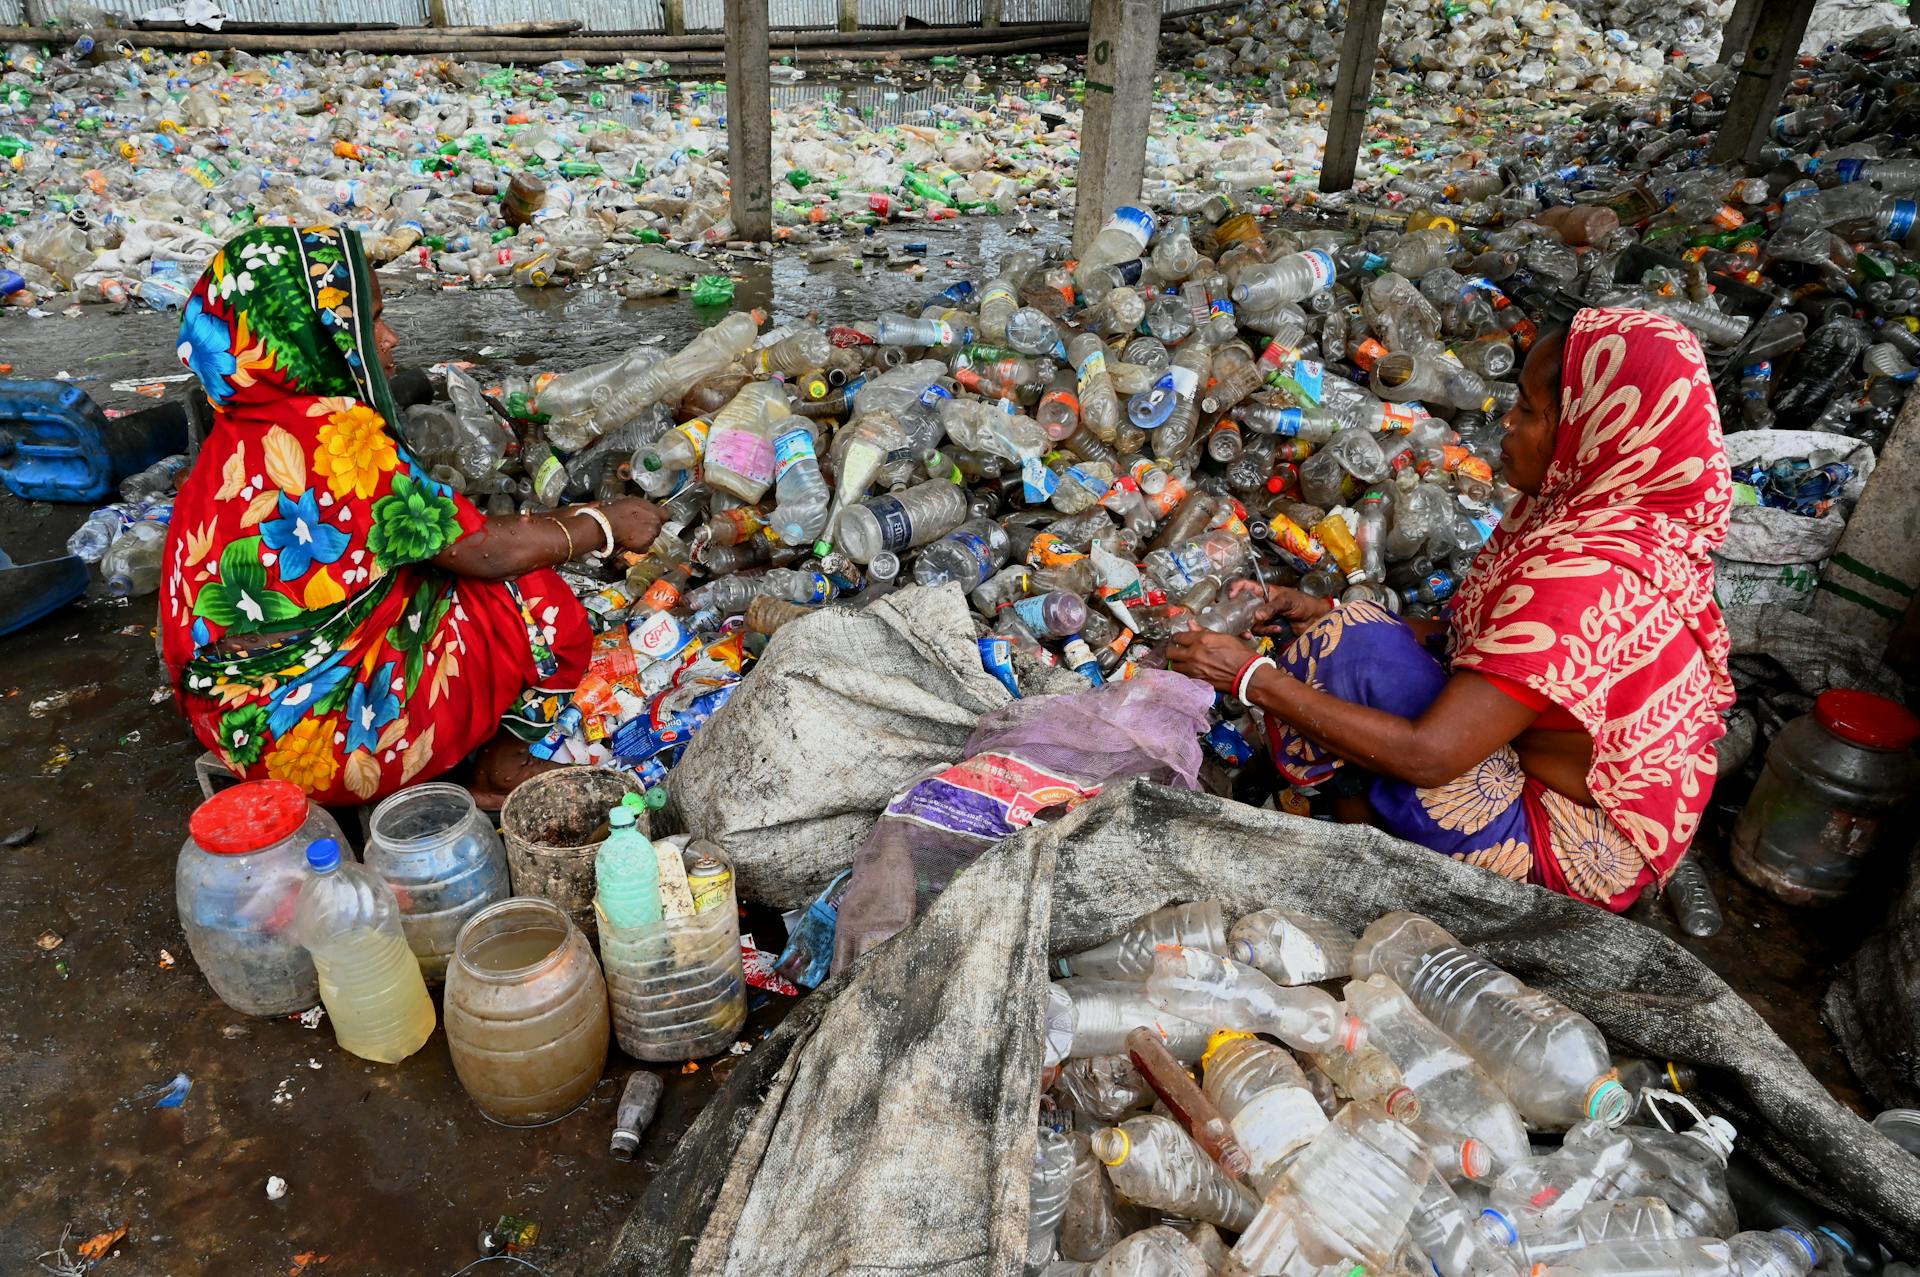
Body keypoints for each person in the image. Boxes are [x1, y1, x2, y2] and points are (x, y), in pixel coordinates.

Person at [1169, 307, 1734, 910]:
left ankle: (1362, 846)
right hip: (1566, 779)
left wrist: (1252, 679)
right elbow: (1487, 642)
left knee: (1351, 663)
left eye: (1530, 412)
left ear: (1593, 429)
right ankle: (1353, 800)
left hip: (1568, 851)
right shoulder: (1610, 518)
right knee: (1353, 631)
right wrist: (1319, 609)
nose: (1507, 427)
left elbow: (1429, 755)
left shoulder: (1586, 576)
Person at [161, 226, 665, 808]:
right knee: (539, 604)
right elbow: (488, 552)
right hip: (321, 751)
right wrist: (602, 524)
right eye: (369, 320)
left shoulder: (240, 427)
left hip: (231, 724)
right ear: (312, 334)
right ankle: (498, 767)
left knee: (431, 574)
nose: (390, 338)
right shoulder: (331, 432)